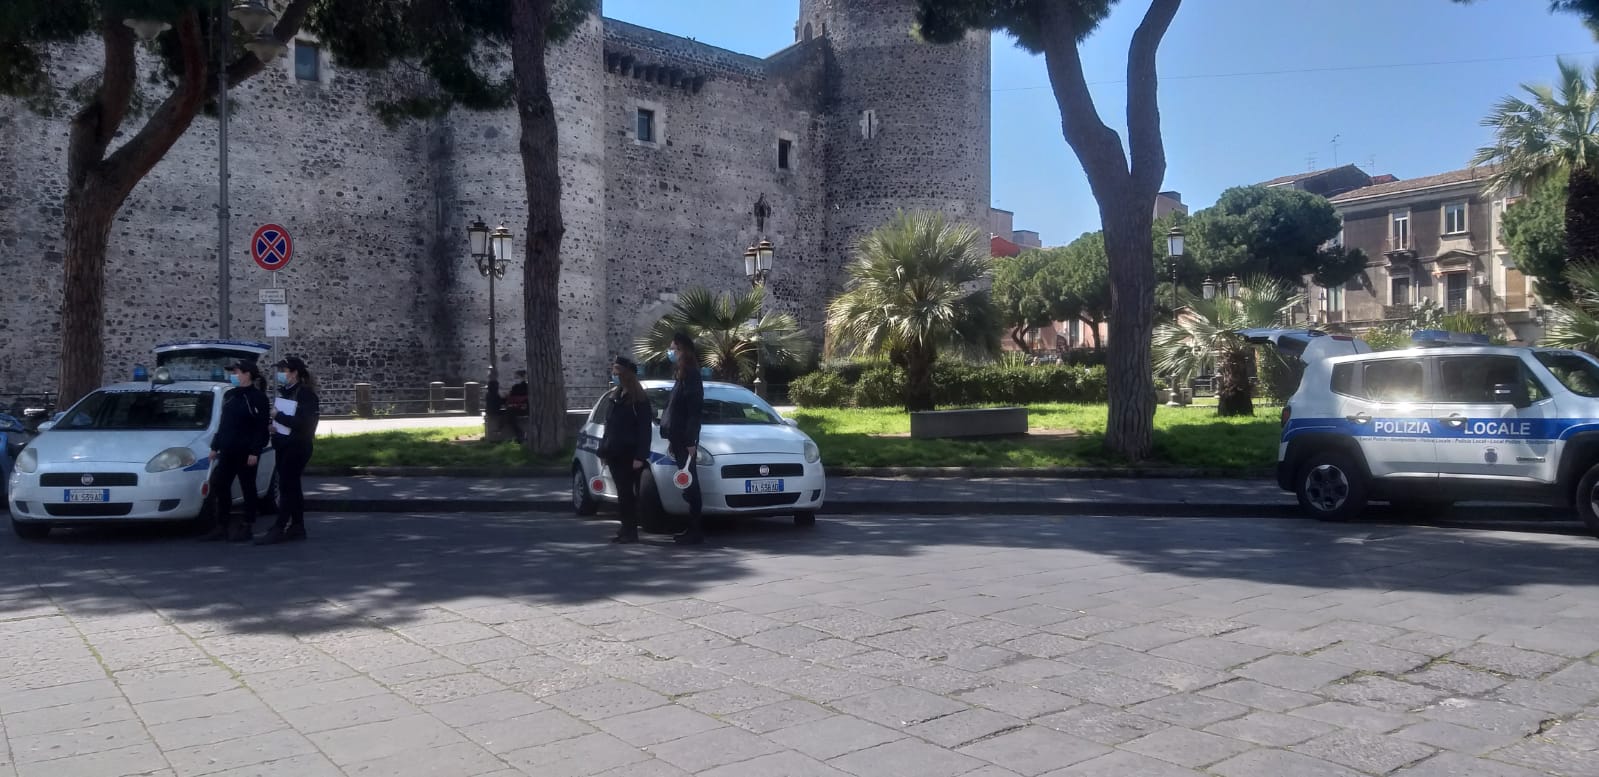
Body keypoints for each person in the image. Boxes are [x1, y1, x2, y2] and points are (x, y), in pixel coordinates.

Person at [201, 360, 271, 542]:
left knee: (248, 487)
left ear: (247, 374)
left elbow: (260, 427)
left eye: (237, 372)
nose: (234, 375)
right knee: (220, 484)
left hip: (246, 451)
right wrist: (215, 446)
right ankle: (222, 525)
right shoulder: (231, 395)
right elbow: (224, 424)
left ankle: (247, 525)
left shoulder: (257, 398)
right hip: (228, 449)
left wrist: (255, 451)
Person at [258, 356, 319, 545]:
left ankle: (280, 526)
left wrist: (279, 416)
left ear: (294, 373)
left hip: (297, 446)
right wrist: (274, 425)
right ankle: (297, 526)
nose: (281, 375)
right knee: (291, 487)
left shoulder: (305, 395)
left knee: (287, 487)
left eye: (284, 371)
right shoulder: (287, 393)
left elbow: (304, 424)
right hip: (285, 444)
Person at [598, 356, 653, 544]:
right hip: (614, 452)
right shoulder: (615, 397)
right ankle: (625, 528)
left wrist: (640, 456)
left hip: (630, 454)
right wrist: (603, 452)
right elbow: (609, 426)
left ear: (626, 375)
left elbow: (645, 430)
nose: (614, 375)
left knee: (628, 494)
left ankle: (631, 531)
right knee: (622, 493)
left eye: (617, 372)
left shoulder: (639, 400)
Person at [660, 332, 705, 544]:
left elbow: (694, 411)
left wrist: (690, 441)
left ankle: (695, 529)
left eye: (673, 349)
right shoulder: (681, 375)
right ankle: (692, 527)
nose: (671, 353)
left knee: (690, 484)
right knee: (687, 484)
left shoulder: (692, 375)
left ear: (682, 351)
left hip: (685, 440)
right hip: (677, 438)